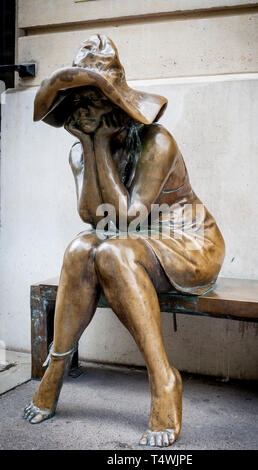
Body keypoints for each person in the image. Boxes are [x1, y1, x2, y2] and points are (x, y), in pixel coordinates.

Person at [24, 34, 225, 447]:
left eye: (92, 99)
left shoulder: (157, 141)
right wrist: (92, 146)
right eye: (77, 102)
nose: (84, 111)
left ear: (115, 104)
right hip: (130, 241)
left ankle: (163, 378)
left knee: (113, 251)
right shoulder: (80, 152)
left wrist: (98, 142)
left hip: (187, 241)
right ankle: (55, 369)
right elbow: (93, 217)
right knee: (82, 247)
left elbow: (127, 218)